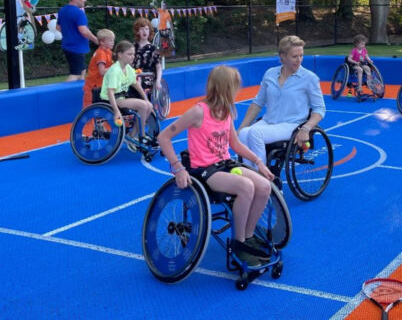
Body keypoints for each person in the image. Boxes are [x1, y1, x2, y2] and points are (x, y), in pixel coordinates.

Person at [158, 65, 276, 266]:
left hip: (224, 164)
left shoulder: (226, 112)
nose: (238, 91)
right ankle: (238, 245)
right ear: (225, 88)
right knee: (246, 187)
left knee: (264, 186)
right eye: (235, 87)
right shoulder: (198, 111)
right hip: (204, 170)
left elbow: (235, 144)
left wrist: (258, 163)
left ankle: (248, 236)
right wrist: (178, 167)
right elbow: (164, 136)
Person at [238, 35, 326, 170]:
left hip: (291, 125)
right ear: (282, 56)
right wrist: (241, 128)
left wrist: (306, 128)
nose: (299, 60)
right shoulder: (270, 74)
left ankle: (263, 179)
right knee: (244, 133)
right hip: (268, 122)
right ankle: (250, 178)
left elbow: (319, 109)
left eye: (301, 55)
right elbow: (257, 103)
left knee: (255, 133)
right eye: (294, 56)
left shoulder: (309, 78)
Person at [100, 41, 153, 146]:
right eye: (129, 54)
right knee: (143, 106)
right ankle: (140, 135)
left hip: (121, 97)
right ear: (120, 55)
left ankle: (132, 135)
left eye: (133, 54)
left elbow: (136, 84)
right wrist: (116, 111)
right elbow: (110, 92)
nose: (133, 56)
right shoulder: (115, 71)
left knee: (149, 105)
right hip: (111, 99)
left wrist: (146, 99)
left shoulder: (128, 68)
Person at [58, 0, 99, 81]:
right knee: (75, 74)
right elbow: (84, 31)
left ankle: (80, 93)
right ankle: (62, 93)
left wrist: (69, 33)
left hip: (68, 46)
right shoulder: (78, 12)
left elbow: (58, 27)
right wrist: (96, 40)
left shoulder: (62, 10)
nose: (85, 0)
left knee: (82, 72)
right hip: (76, 48)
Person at [82, 29, 115, 108]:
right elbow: (102, 71)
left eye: (113, 40)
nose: (112, 42)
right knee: (91, 109)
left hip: (100, 86)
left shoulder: (108, 52)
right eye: (110, 40)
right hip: (93, 86)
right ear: (102, 42)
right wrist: (116, 67)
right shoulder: (101, 53)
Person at [132, 17, 163, 96]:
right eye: (142, 29)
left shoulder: (153, 49)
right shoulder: (132, 47)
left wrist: (158, 81)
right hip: (134, 77)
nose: (144, 31)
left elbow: (158, 67)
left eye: (146, 29)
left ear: (149, 31)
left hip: (148, 79)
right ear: (138, 32)